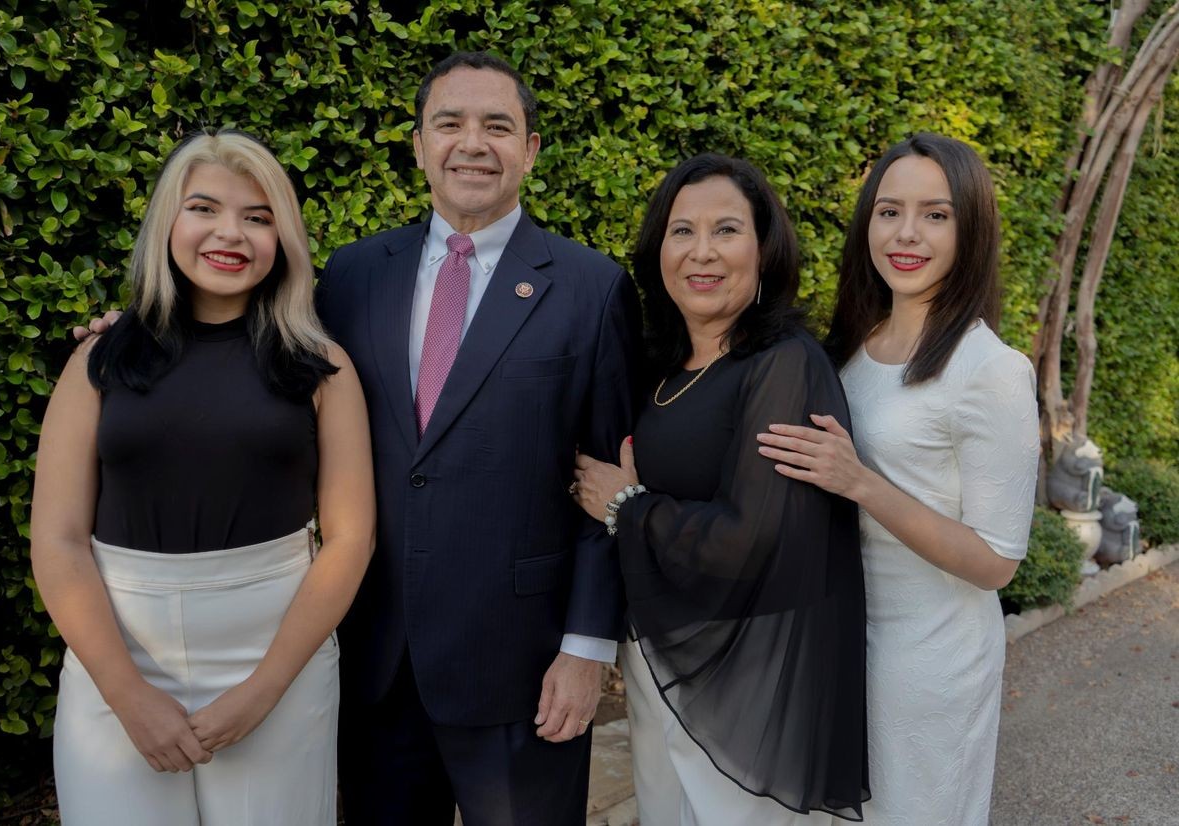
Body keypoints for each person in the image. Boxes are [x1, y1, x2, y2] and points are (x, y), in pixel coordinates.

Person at [318, 52, 638, 824]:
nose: (473, 143)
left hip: (523, 669)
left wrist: (587, 649)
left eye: (498, 125)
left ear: (529, 150)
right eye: (449, 123)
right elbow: (266, 372)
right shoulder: (353, 275)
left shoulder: (593, 288)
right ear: (420, 144)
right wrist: (145, 334)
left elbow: (611, 482)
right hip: (375, 662)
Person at [33, 129, 375, 825]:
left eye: (258, 216)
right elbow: (60, 539)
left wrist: (266, 688)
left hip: (278, 660)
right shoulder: (99, 361)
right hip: (116, 663)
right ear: (169, 222)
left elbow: (349, 539)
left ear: (284, 237)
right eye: (205, 209)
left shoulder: (323, 368)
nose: (231, 234)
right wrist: (127, 694)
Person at [572, 153, 868, 825]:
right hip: (661, 663)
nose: (701, 252)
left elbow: (752, 540)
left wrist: (628, 505)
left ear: (764, 250)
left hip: (751, 677)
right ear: (657, 250)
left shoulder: (785, 365)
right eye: (682, 231)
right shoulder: (659, 365)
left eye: (726, 230)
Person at [756, 133, 1040, 824]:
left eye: (936, 215)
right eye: (889, 211)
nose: (906, 234)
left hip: (929, 659)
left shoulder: (990, 371)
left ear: (970, 228)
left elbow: (996, 562)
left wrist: (862, 483)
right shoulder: (855, 343)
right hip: (838, 634)